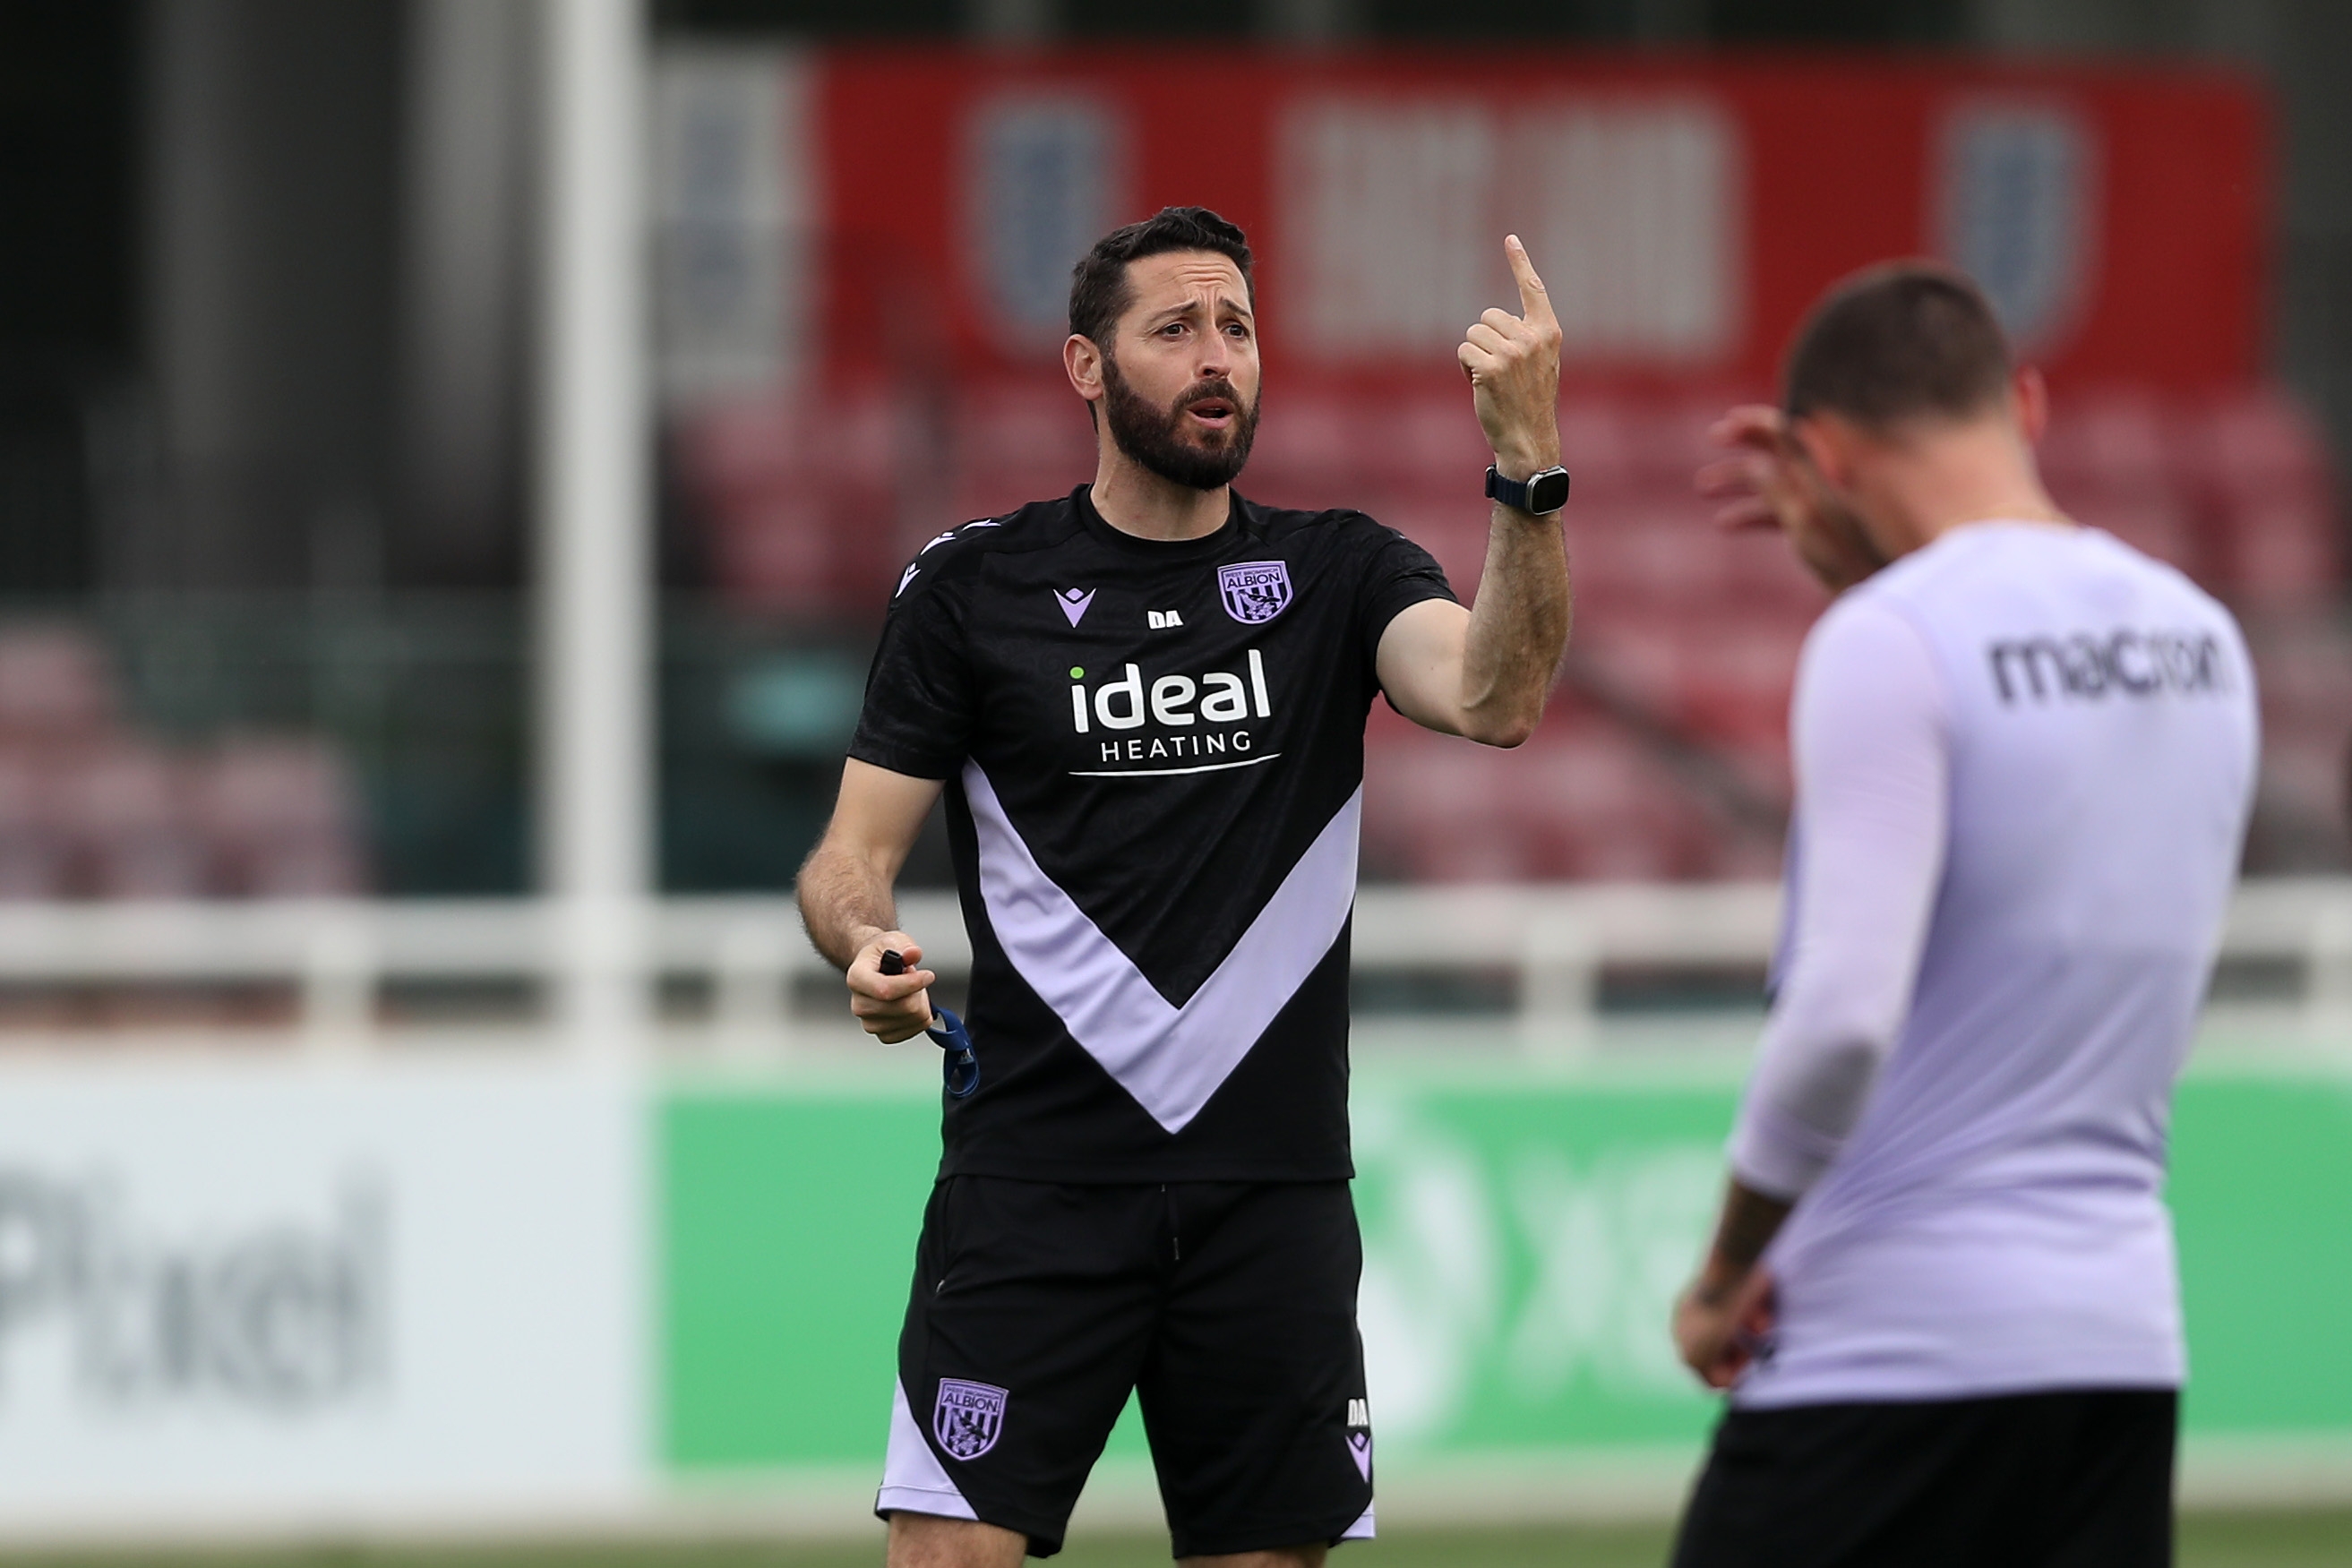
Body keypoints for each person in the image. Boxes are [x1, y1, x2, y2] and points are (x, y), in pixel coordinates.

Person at [796, 205, 1571, 1568]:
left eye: (1237, 328)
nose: (1217, 358)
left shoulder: (1340, 572)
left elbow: (1496, 697)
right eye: (1173, 330)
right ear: (1086, 369)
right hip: (1035, 1186)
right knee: (943, 1558)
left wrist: (1525, 466)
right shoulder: (974, 590)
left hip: (1266, 1196)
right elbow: (848, 857)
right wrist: (863, 945)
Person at [1667, 262, 2260, 1567]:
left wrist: (1720, 1278)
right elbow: (2027, 824)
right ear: (2027, 407)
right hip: (2113, 1362)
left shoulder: (1890, 640)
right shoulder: (2202, 639)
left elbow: (1837, 1023)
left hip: (1882, 1355)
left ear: (1814, 452)